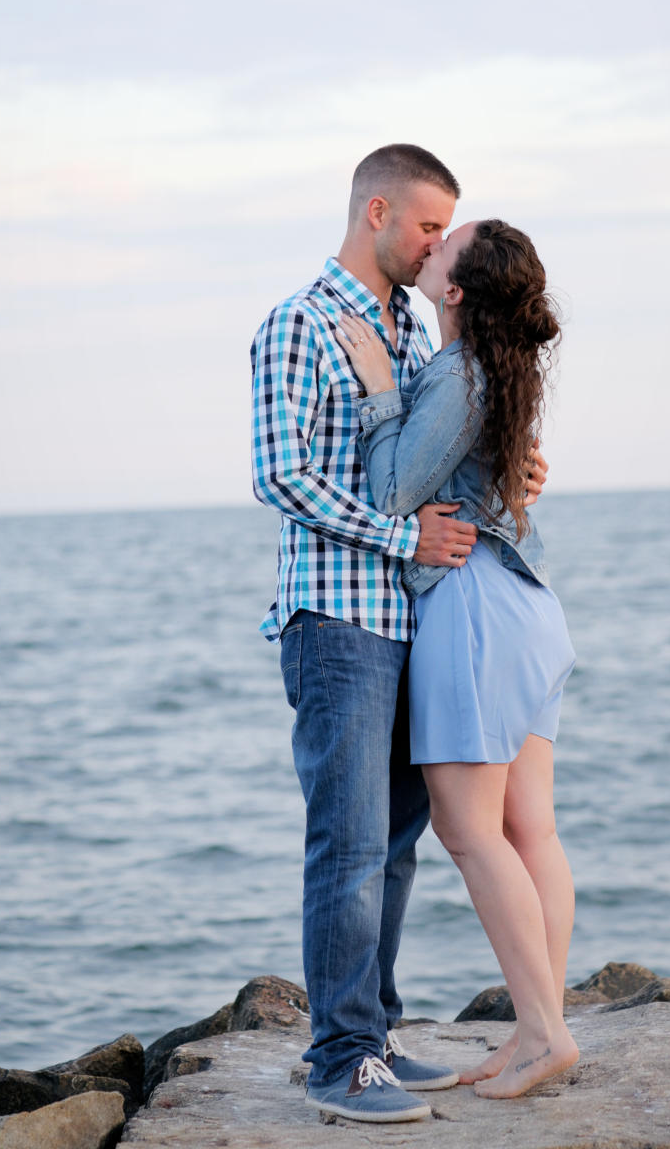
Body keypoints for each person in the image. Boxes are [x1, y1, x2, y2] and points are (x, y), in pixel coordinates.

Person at [250, 146, 547, 1124]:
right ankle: (338, 1062)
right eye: (425, 226)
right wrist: (396, 530)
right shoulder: (300, 322)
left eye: (441, 235)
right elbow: (280, 476)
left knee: (395, 846)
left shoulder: (412, 334)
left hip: (410, 621)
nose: (431, 249)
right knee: (346, 844)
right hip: (336, 618)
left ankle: (371, 1036)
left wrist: (514, 477)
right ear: (375, 210)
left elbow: (441, 447)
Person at [334, 217, 578, 1098]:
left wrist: (374, 391)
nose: (428, 249)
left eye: (443, 247)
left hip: (474, 607)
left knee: (469, 831)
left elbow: (395, 490)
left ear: (454, 291)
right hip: (528, 607)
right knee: (529, 830)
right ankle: (531, 1037)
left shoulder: (456, 371)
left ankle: (546, 1035)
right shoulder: (498, 372)